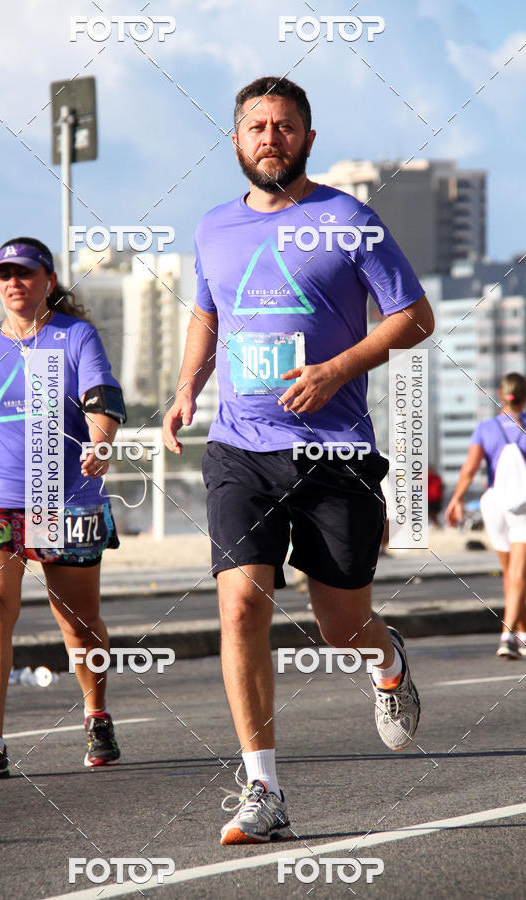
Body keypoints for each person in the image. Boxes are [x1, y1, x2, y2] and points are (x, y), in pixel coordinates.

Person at [163, 76, 434, 844]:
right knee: (241, 604)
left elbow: (415, 318)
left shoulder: (350, 220)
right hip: (238, 449)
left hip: (333, 452)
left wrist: (337, 370)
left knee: (341, 626)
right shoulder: (213, 228)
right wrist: (187, 388)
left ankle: (386, 659)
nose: (270, 137)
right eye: (257, 126)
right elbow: (207, 314)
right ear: (238, 139)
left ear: (308, 139)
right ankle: (263, 790)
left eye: (285, 126)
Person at [0, 236, 127, 779]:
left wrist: (100, 442)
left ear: (48, 281)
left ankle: (96, 714)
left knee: (77, 620)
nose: (13, 283)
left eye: (25, 273)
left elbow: (102, 400)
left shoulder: (75, 336)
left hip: (62, 495)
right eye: (4, 275)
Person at [446, 372, 526, 659]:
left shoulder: (486, 428)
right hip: (522, 508)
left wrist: (455, 499)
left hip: (493, 503)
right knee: (519, 573)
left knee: (512, 574)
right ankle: (508, 636)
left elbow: (469, 469)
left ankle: (523, 633)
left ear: (501, 395)